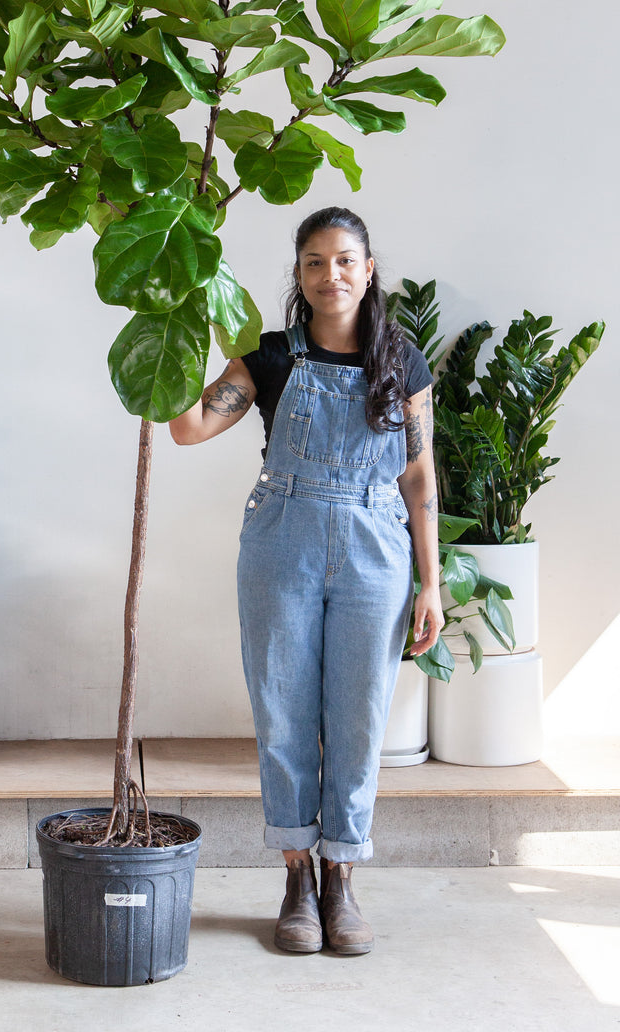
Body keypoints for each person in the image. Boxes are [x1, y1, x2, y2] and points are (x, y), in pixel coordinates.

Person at [169, 206, 442, 957]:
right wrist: (172, 331)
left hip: (376, 546)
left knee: (359, 717)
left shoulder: (402, 361)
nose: (332, 276)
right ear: (299, 274)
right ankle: (295, 877)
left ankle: (341, 877)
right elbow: (187, 427)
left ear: (369, 269)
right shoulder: (270, 359)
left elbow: (419, 477)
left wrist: (431, 583)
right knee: (283, 708)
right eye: (316, 262)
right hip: (280, 545)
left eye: (346, 260)